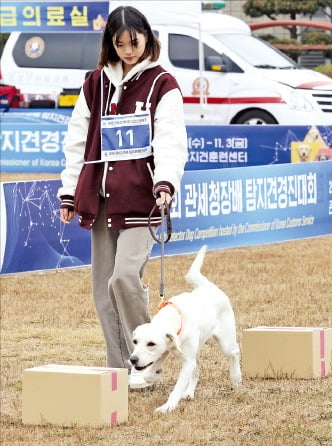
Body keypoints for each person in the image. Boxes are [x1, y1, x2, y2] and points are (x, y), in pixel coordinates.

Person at [58, 5, 187, 388]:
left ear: (147, 37)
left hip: (143, 201)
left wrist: (165, 184)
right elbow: (77, 140)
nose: (128, 49)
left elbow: (171, 141)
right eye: (120, 43)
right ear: (109, 44)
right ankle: (119, 371)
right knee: (103, 293)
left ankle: (148, 362)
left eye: (134, 41)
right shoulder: (94, 83)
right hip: (101, 201)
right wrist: (69, 192)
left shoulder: (162, 84)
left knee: (124, 279)